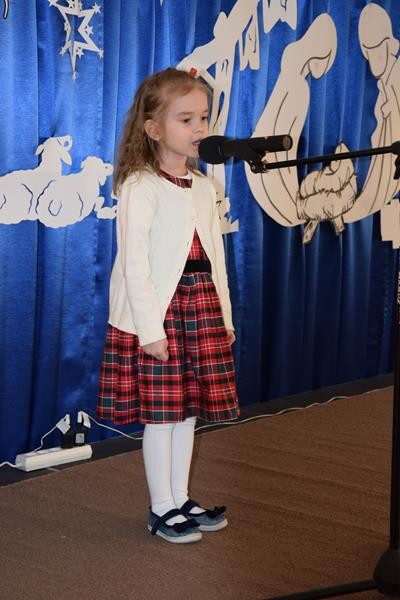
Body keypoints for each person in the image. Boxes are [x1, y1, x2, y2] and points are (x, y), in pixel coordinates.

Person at [96, 67, 239, 544]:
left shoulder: (203, 187)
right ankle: (161, 507)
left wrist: (224, 316)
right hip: (159, 315)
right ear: (153, 128)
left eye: (204, 117)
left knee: (188, 411)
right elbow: (133, 264)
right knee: (162, 415)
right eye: (186, 119)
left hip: (200, 308)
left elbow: (215, 259)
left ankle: (180, 498)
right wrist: (149, 330)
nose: (200, 128)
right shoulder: (140, 185)